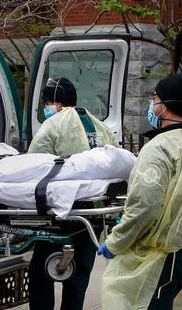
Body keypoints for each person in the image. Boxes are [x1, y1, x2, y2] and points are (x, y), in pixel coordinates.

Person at [98, 74, 182, 309]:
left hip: (159, 258)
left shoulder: (159, 148)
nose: (152, 104)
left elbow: (145, 206)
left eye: (155, 99)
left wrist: (115, 242)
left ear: (165, 106)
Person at [27, 77, 118, 310]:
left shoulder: (55, 123)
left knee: (40, 272)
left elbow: (33, 164)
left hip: (62, 214)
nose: (46, 108)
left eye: (47, 102)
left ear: (56, 103)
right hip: (93, 215)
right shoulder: (100, 125)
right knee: (78, 277)